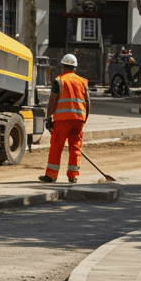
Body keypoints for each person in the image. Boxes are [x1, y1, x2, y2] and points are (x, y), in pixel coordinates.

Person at [40, 53, 90, 184]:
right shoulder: (82, 82)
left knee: (57, 146)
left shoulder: (59, 80)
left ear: (63, 66)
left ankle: (51, 175)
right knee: (75, 147)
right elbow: (88, 102)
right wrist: (84, 119)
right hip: (78, 120)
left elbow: (53, 101)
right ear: (75, 67)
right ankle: (73, 176)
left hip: (62, 120)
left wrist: (48, 118)